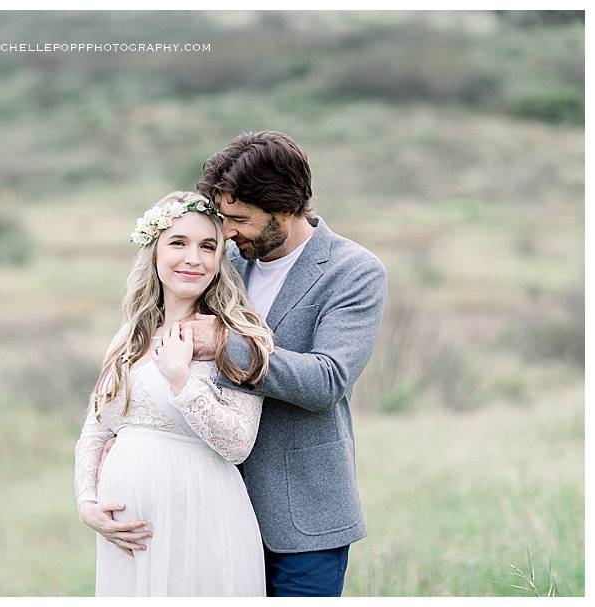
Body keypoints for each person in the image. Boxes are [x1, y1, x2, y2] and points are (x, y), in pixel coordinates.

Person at [179, 131, 388, 596]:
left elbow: (325, 380)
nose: (227, 231)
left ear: (285, 209)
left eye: (240, 219)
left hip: (304, 517)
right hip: (216, 506)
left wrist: (224, 344)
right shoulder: (224, 261)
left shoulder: (353, 271)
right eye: (223, 217)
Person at [73, 191, 275, 596]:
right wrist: (88, 504)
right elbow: (95, 430)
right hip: (126, 538)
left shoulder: (237, 336)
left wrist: (183, 381)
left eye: (207, 247)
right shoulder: (129, 335)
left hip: (200, 518)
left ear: (220, 260)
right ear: (154, 250)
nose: (192, 258)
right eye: (178, 243)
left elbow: (238, 444)